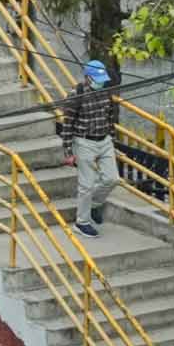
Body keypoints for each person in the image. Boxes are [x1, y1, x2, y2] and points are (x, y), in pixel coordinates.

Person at [57, 58, 120, 237]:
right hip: (84, 141)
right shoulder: (76, 95)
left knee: (112, 179)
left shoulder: (106, 92)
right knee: (86, 185)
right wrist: (68, 152)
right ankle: (81, 222)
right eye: (97, 80)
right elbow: (67, 125)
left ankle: (94, 204)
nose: (101, 83)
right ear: (88, 78)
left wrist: (112, 142)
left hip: (104, 140)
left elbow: (110, 118)